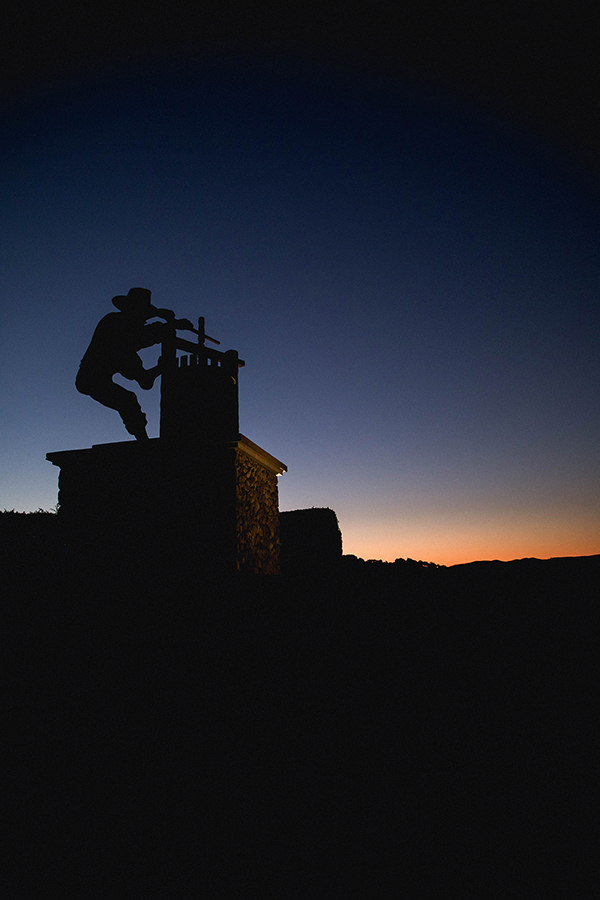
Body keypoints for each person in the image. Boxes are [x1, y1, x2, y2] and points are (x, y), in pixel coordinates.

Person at [76, 287, 194, 440]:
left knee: (128, 398)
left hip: (100, 373)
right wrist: (169, 325)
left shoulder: (127, 339)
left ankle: (143, 442)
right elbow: (140, 337)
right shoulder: (114, 324)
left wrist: (168, 324)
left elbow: (144, 378)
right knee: (127, 400)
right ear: (132, 311)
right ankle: (144, 443)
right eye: (142, 316)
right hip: (91, 378)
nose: (143, 320)